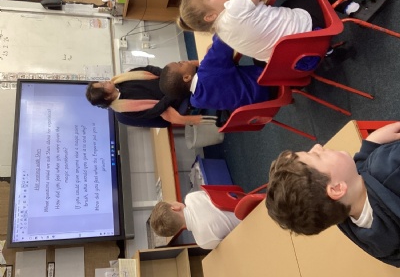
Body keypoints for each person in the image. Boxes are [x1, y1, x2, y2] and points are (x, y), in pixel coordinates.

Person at [265, 121, 400, 267]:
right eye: (317, 156)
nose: (317, 146)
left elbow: (357, 177)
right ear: (336, 189)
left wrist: (370, 145)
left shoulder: (349, 222)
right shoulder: (387, 165)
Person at [177, 0, 387, 62]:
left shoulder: (222, 35)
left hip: (297, 55)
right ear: (210, 16)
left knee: (284, 5)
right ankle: (356, 9)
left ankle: (329, 51)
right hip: (309, 28)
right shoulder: (234, 9)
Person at [159, 35, 271, 111]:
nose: (183, 61)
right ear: (187, 77)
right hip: (266, 83)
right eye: (180, 64)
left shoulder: (195, 101)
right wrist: (211, 50)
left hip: (258, 106)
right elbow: (224, 36)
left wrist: (208, 59)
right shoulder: (208, 68)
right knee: (259, 43)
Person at [85, 65, 204, 126]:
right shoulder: (125, 109)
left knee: (187, 68)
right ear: (106, 97)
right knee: (196, 80)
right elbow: (155, 110)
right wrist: (171, 91)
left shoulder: (121, 79)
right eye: (103, 85)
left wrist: (168, 77)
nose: (106, 81)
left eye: (101, 81)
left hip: (171, 82)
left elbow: (148, 69)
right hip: (172, 99)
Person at [150, 190, 240, 249]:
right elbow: (218, 193)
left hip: (246, 226)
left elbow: (229, 245)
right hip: (244, 202)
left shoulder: (202, 242)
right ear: (175, 208)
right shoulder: (191, 197)